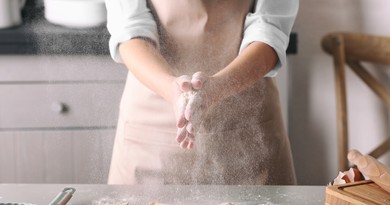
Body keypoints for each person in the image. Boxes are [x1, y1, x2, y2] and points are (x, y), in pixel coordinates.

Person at [105, 0, 298, 185]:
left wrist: (217, 88)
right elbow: (129, 31)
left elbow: (269, 32)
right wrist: (171, 89)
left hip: (248, 129)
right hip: (150, 134)